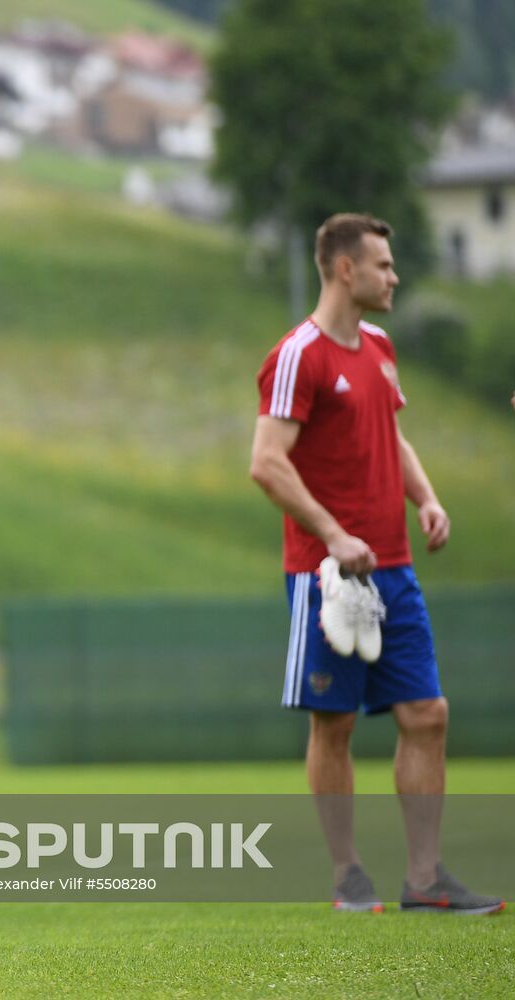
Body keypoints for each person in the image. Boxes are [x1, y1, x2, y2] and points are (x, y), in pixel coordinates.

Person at [249, 213, 504, 916]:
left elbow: (391, 435)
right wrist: (332, 534)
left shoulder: (381, 348)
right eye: (385, 266)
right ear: (345, 270)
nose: (395, 277)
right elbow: (266, 465)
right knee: (334, 725)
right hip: (326, 577)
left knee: (426, 713)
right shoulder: (298, 355)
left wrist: (426, 498)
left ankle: (425, 878)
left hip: (393, 567)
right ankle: (346, 877)